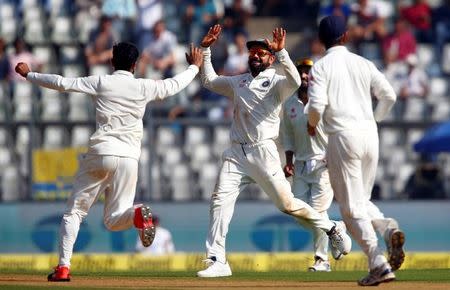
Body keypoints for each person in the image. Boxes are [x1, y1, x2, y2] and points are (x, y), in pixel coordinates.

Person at [15, 41, 203, 282]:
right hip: (129, 158)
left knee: (75, 212)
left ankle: (63, 268)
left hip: (101, 152)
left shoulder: (101, 81)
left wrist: (29, 74)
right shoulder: (143, 86)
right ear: (135, 65)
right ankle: (136, 214)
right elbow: (173, 85)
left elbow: (62, 83)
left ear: (112, 62)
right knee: (115, 220)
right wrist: (194, 68)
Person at [196, 24, 352, 278]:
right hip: (236, 153)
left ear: (269, 59)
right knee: (219, 201)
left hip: (263, 152)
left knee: (287, 205)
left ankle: (332, 228)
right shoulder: (238, 82)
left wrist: (282, 53)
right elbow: (209, 81)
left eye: (261, 52)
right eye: (252, 52)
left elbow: (294, 79)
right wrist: (205, 49)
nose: (255, 55)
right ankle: (217, 259)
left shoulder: (278, 82)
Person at [307, 15, 405, 286]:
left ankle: (378, 263)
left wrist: (312, 126)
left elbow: (315, 106)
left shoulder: (321, 66)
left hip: (342, 137)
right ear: (346, 37)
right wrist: (375, 119)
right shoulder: (364, 63)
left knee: (350, 212)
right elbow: (389, 96)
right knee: (360, 200)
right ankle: (387, 229)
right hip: (369, 136)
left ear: (320, 40)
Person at [280, 58, 335, 272]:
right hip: (301, 165)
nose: (303, 76)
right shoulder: (290, 104)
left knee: (318, 212)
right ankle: (334, 228)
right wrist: (289, 162)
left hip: (323, 163)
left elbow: (334, 130)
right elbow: (288, 136)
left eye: (307, 73)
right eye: (301, 72)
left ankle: (322, 260)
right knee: (300, 213)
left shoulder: (324, 101)